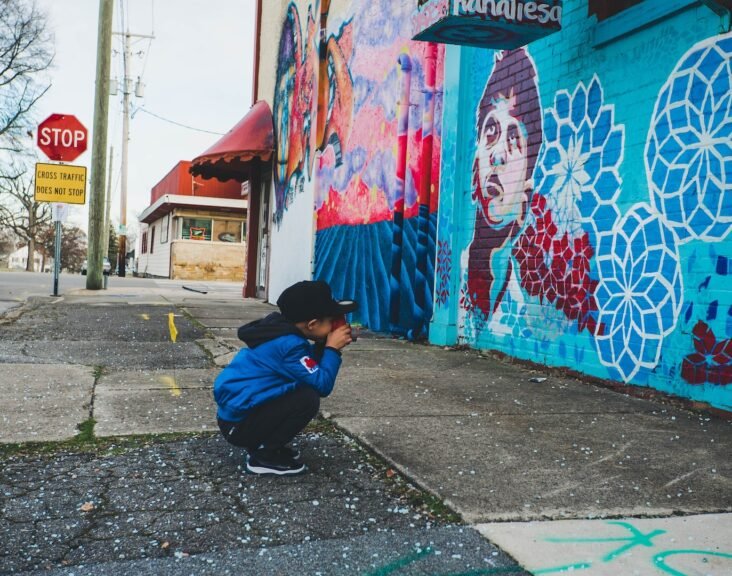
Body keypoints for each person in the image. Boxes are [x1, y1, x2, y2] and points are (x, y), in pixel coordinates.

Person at [214, 280, 357, 476]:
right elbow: (322, 384)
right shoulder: (289, 346)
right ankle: (263, 454)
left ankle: (266, 444)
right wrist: (332, 349)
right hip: (239, 426)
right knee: (306, 398)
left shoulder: (283, 334)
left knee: (302, 391)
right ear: (312, 324)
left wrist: (323, 345)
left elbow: (307, 369)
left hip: (238, 418)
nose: (337, 325)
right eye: (332, 320)